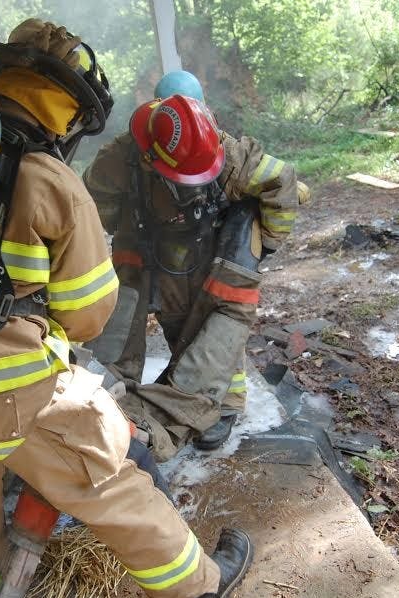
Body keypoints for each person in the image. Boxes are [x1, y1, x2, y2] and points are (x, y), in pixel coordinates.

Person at [0, 19, 253, 598]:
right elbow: (90, 313)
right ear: (66, 114)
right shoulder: (50, 178)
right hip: (10, 393)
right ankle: (197, 592)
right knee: (111, 481)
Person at [83, 71, 307, 461]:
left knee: (210, 325)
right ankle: (112, 401)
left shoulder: (229, 153)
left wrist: (265, 242)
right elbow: (94, 193)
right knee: (133, 321)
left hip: (207, 248)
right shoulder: (123, 156)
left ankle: (222, 406)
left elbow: (282, 182)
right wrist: (125, 222)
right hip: (145, 245)